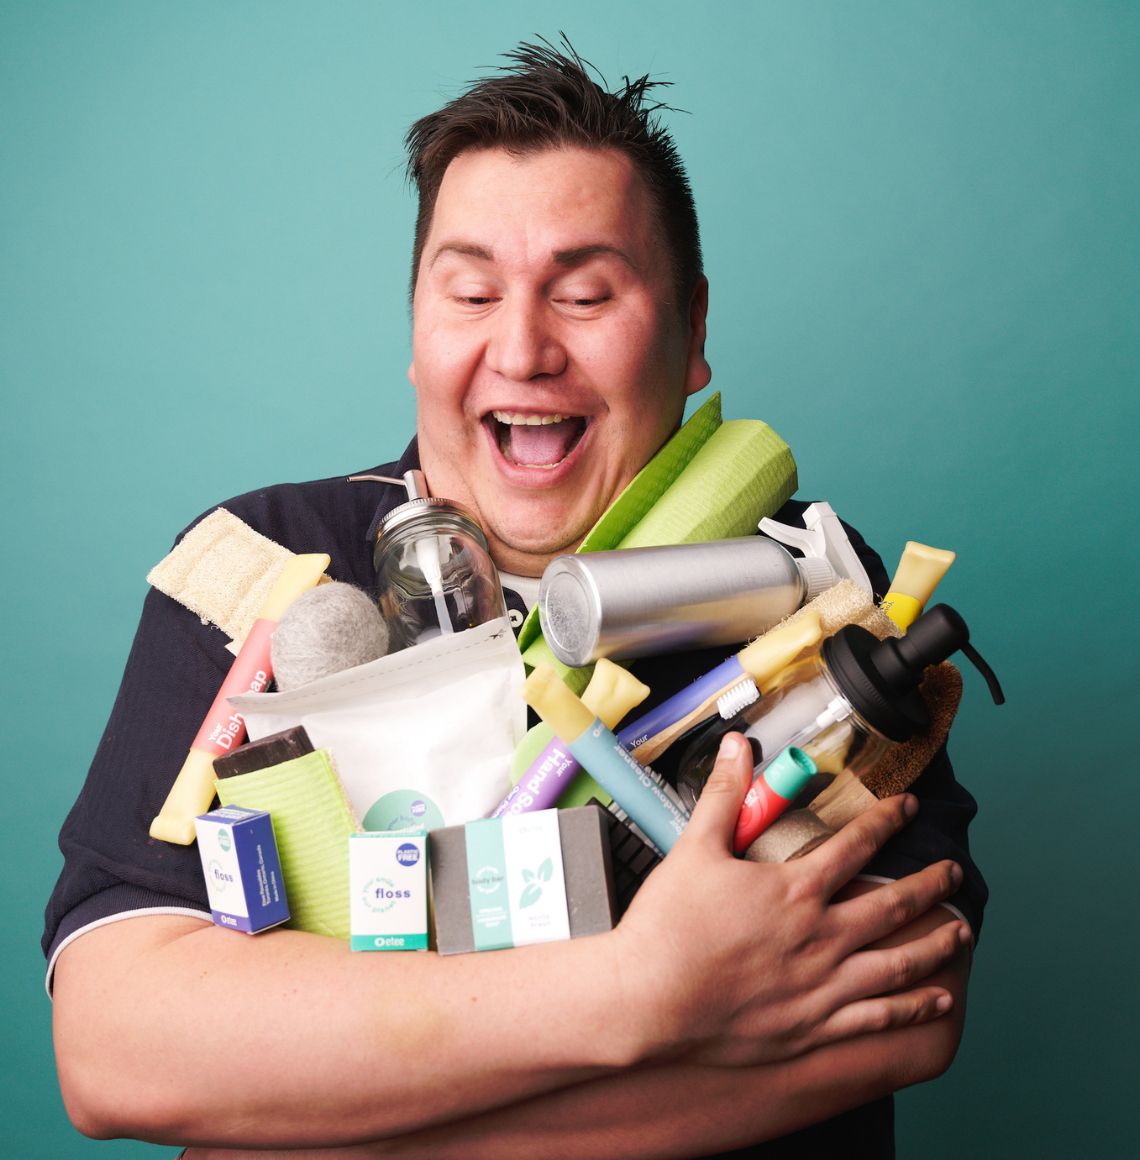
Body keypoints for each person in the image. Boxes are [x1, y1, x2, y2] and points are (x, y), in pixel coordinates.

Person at [45, 40, 984, 1158]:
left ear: (692, 330)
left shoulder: (807, 595)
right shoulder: (264, 563)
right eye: (473, 292)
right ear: (416, 328)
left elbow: (904, 1009)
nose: (525, 347)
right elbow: (114, 1046)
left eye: (585, 294)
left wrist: (311, 1111)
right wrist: (637, 993)